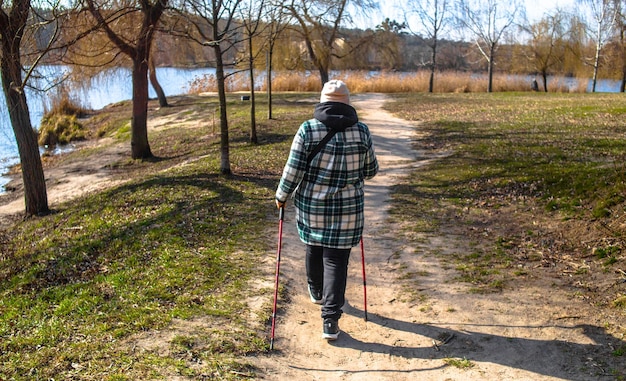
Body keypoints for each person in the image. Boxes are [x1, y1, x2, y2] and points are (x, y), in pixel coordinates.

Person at [275, 79, 379, 340]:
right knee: (336, 260)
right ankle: (330, 321)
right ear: (348, 102)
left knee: (313, 246)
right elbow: (371, 171)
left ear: (322, 101)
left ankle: (316, 290)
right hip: (348, 211)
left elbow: (293, 169)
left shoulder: (308, 129)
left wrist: (281, 196)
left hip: (313, 207)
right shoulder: (362, 131)